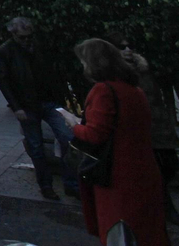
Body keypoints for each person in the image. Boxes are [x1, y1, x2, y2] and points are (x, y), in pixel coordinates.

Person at [59, 39, 167, 246]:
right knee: (146, 233)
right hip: (142, 170)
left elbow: (94, 134)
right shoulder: (134, 89)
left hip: (117, 175)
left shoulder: (104, 90)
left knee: (121, 231)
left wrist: (73, 123)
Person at [108, 35, 179, 229]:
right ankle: (165, 209)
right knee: (156, 171)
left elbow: (157, 95)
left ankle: (156, 204)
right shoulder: (114, 73)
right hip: (139, 129)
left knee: (170, 165)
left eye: (130, 46)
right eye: (122, 46)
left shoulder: (143, 68)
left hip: (159, 125)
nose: (127, 50)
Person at [0, 16, 78, 200]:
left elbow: (52, 71)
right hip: (27, 104)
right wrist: (16, 107)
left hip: (47, 100)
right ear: (14, 35)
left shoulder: (37, 46)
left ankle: (70, 183)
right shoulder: (6, 51)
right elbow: (3, 81)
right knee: (36, 147)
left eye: (28, 36)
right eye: (22, 37)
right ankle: (46, 185)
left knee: (67, 138)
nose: (26, 40)